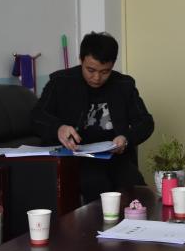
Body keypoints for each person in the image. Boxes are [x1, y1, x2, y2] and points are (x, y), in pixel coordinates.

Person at [31, 32, 154, 203]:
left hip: (115, 157)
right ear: (81, 60)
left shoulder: (124, 85)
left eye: (105, 72)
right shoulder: (60, 82)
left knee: (138, 191)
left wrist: (126, 139)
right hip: (76, 157)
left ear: (113, 65)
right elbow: (36, 116)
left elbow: (146, 122)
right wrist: (58, 128)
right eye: (91, 70)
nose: (97, 78)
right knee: (96, 184)